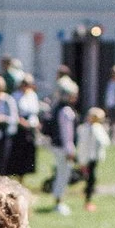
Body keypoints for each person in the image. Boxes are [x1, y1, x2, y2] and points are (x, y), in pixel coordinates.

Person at [47, 76, 79, 214]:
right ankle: (59, 201)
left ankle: (58, 199)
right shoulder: (66, 111)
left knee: (61, 173)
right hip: (63, 147)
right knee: (63, 174)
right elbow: (67, 134)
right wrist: (70, 150)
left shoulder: (58, 108)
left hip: (58, 146)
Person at [76, 106, 108, 212]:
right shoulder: (85, 129)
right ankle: (87, 200)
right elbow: (83, 145)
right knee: (88, 178)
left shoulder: (97, 128)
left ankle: (88, 200)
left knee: (91, 179)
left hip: (93, 157)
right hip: (86, 157)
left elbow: (104, 141)